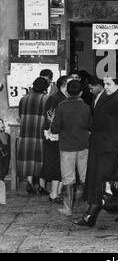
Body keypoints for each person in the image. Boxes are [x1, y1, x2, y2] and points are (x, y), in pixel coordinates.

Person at [74, 76, 118, 227]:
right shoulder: (110, 96)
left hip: (113, 147)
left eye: (109, 84)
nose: (106, 86)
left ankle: (90, 215)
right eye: (104, 84)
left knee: (102, 180)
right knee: (111, 178)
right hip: (104, 145)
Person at [51, 80, 92, 217]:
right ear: (81, 92)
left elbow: (55, 129)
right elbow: (90, 125)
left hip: (67, 147)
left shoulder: (61, 107)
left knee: (68, 179)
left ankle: (68, 208)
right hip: (83, 146)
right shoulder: (85, 107)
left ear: (67, 92)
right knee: (86, 177)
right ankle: (89, 206)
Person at [18, 77, 49, 195]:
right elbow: (50, 117)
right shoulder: (47, 99)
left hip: (26, 133)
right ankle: (41, 186)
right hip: (41, 133)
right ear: (45, 88)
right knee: (41, 158)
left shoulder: (23, 99)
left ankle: (30, 183)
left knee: (28, 157)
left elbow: (21, 116)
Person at [40, 75, 69, 204]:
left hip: (62, 135)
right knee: (57, 165)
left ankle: (56, 193)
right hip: (54, 136)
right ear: (63, 85)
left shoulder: (65, 98)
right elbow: (50, 116)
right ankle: (54, 193)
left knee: (61, 165)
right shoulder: (54, 98)